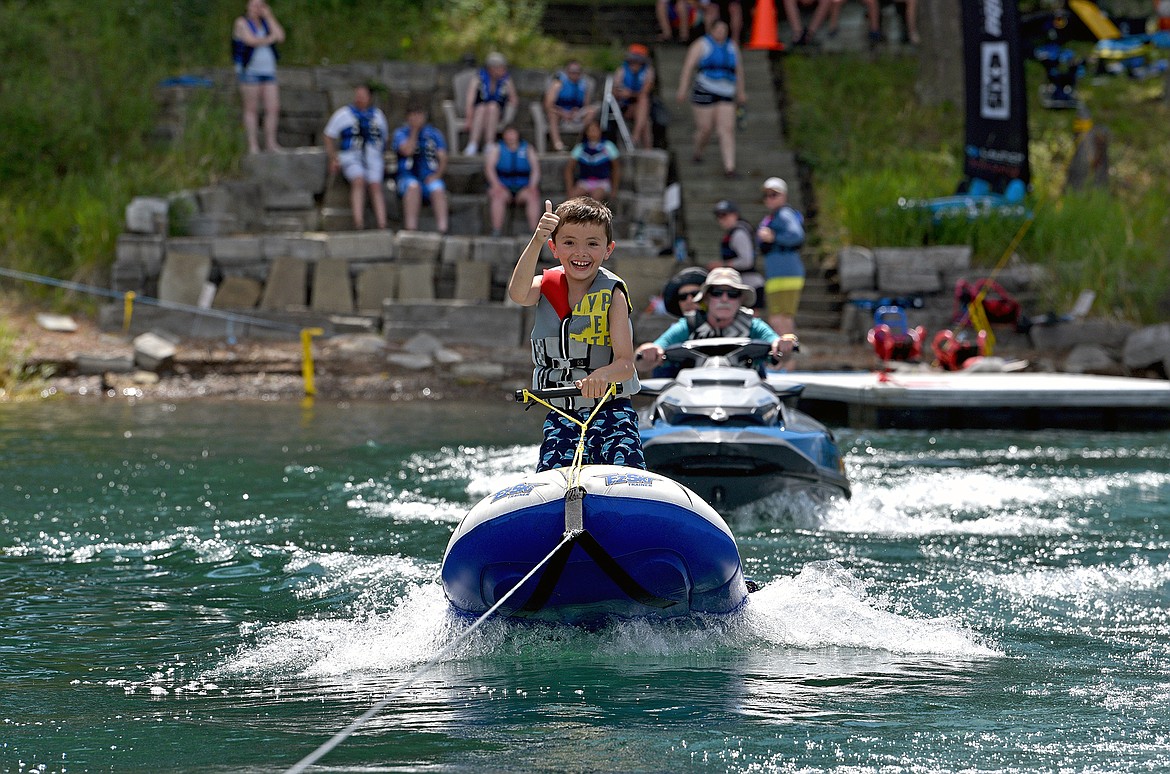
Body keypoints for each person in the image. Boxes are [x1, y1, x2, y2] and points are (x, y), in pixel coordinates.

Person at [507, 197, 645, 472]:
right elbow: (518, 293)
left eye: (592, 244)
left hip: (612, 410)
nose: (581, 253)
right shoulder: (546, 286)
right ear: (554, 248)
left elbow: (625, 363)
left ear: (608, 250)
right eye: (569, 243)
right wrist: (537, 239)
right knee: (554, 474)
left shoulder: (613, 294)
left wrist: (601, 376)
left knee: (624, 468)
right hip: (562, 413)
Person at [635, 267, 796, 376]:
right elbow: (649, 355)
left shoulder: (753, 325)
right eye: (717, 292)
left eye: (732, 293)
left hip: (747, 400)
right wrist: (648, 351)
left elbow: (779, 349)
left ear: (741, 299)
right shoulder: (689, 324)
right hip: (693, 399)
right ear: (706, 298)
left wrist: (784, 345)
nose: (724, 299)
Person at [676, 20, 745, 179]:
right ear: (712, 30)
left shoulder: (732, 46)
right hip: (705, 89)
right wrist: (682, 89)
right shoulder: (701, 45)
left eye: (724, 29)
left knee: (726, 129)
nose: (721, 32)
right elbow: (688, 67)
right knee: (705, 128)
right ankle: (698, 151)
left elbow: (739, 70)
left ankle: (730, 167)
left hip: (727, 90)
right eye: (718, 29)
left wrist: (741, 92)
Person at [323, 85, 389, 231]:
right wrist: (333, 158)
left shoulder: (378, 115)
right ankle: (358, 223)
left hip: (373, 157)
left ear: (369, 97)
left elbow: (384, 138)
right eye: (357, 95)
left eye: (363, 95)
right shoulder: (344, 114)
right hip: (350, 156)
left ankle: (382, 224)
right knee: (359, 180)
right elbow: (329, 135)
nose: (359, 98)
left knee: (375, 185)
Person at [232, 0, 285, 154]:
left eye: (260, 5)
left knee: (273, 108)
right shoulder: (242, 23)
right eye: (254, 5)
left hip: (268, 72)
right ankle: (253, 145)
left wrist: (269, 17)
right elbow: (251, 41)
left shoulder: (266, 23)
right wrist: (270, 39)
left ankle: (271, 143)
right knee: (251, 109)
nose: (257, 9)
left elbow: (280, 36)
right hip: (250, 73)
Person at [756, 177, 805, 339]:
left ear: (784, 196)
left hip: (787, 274)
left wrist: (773, 237)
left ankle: (787, 357)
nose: (769, 198)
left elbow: (797, 236)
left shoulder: (785, 214)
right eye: (766, 195)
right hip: (776, 275)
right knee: (777, 319)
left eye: (774, 195)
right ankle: (786, 356)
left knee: (781, 318)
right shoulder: (770, 218)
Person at [392, 102, 450, 233]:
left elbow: (443, 157)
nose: (417, 118)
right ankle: (411, 229)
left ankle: (443, 229)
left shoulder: (434, 134)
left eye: (419, 115)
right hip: (407, 177)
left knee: (438, 188)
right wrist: (414, 132)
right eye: (413, 115)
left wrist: (437, 175)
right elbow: (407, 151)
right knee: (413, 187)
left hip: (429, 176)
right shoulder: (401, 133)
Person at [485, 125, 542, 236]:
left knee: (533, 196)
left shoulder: (527, 148)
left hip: (523, 187)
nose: (510, 136)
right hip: (503, 186)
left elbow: (535, 170)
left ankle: (535, 233)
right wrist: (496, 185)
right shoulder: (497, 148)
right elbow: (489, 168)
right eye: (508, 134)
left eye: (513, 133)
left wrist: (532, 186)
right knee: (497, 196)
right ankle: (496, 231)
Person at [462, 51, 518, 156]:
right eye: (501, 67)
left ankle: (489, 144)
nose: (503, 70)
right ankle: (473, 144)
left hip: (498, 112)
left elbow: (513, 99)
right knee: (482, 108)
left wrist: (510, 113)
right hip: (478, 112)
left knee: (492, 107)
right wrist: (468, 118)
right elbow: (470, 99)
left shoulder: (506, 79)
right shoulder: (478, 78)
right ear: (492, 69)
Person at [709, 199, 763, 305]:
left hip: (749, 285)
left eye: (724, 215)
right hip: (741, 284)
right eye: (718, 216)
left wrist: (722, 265)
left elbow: (747, 261)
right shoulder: (731, 233)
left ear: (735, 215)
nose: (721, 219)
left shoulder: (739, 233)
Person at [542, 60, 599, 153]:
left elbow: (586, 105)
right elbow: (548, 104)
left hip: (575, 113)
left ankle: (581, 143)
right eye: (572, 72)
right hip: (559, 113)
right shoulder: (558, 84)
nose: (575, 74)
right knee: (552, 114)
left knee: (591, 111)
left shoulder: (584, 84)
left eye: (577, 72)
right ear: (567, 71)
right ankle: (558, 145)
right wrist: (563, 113)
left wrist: (577, 111)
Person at [612, 44, 656, 149]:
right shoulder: (621, 71)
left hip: (639, 105)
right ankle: (637, 140)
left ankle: (640, 142)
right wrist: (621, 93)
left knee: (645, 117)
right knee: (644, 114)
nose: (635, 64)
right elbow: (613, 92)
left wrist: (630, 93)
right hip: (625, 106)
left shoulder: (648, 72)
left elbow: (645, 91)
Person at [564, 121, 621, 201]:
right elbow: (569, 169)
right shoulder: (580, 148)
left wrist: (614, 189)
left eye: (595, 130)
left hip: (602, 182)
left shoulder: (608, 146)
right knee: (572, 199)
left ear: (600, 131)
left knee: (595, 199)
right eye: (590, 130)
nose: (593, 133)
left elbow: (616, 168)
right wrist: (570, 189)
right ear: (586, 133)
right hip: (584, 182)